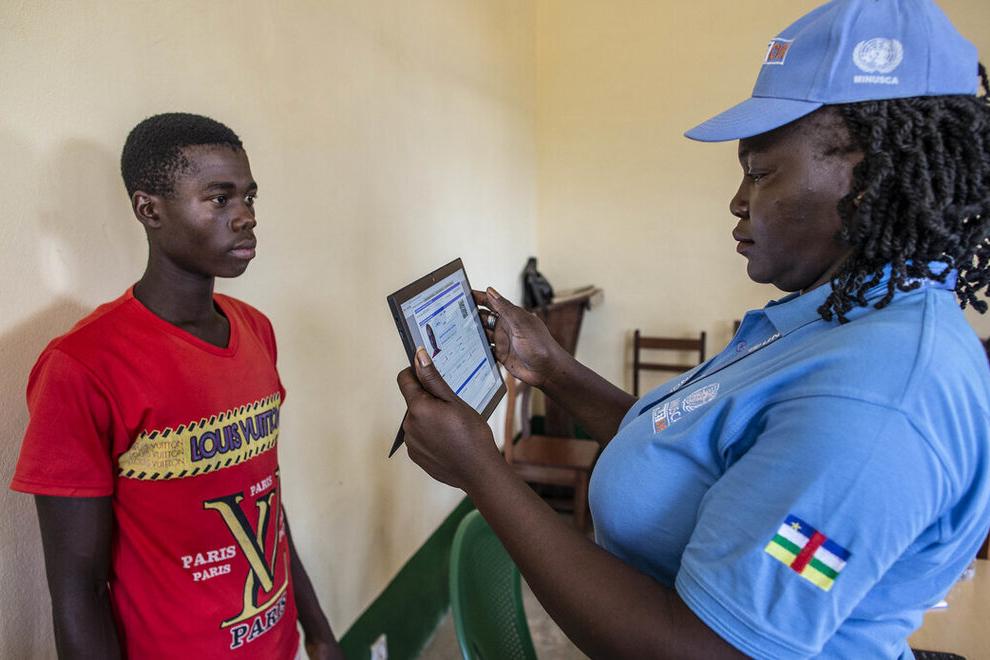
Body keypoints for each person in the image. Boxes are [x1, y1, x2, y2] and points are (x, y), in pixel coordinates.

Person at [396, 1, 990, 657]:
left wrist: (483, 472)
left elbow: (706, 649)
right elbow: (690, 458)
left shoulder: (875, 399)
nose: (737, 200)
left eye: (759, 172)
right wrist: (554, 370)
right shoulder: (832, 319)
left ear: (874, 179)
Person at [10, 113, 344, 659]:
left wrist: (319, 630)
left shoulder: (255, 330)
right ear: (149, 210)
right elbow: (78, 591)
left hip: (276, 641)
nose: (246, 217)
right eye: (219, 198)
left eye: (248, 197)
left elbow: (263, 497)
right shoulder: (83, 366)